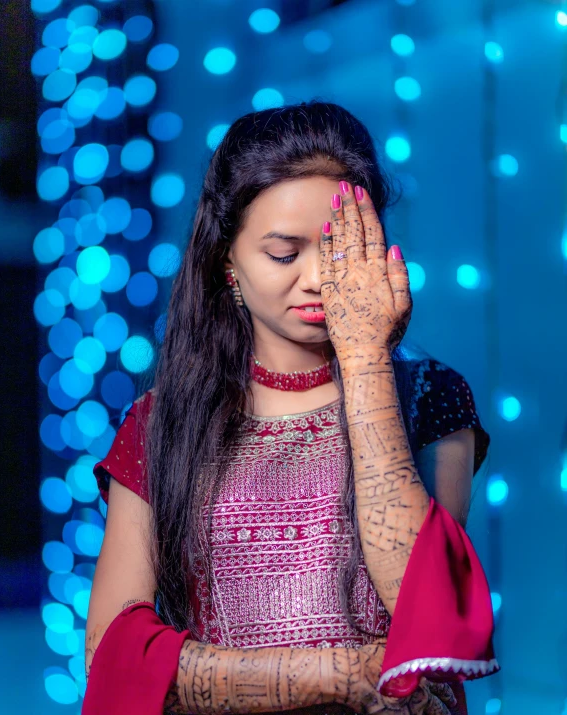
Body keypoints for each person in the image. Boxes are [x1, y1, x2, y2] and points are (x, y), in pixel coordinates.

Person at [83, 101, 499, 715]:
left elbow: (427, 615)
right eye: (284, 254)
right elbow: (114, 654)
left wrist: (363, 361)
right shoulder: (160, 422)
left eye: (339, 250)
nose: (317, 280)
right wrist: (332, 673)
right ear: (227, 260)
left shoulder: (430, 395)